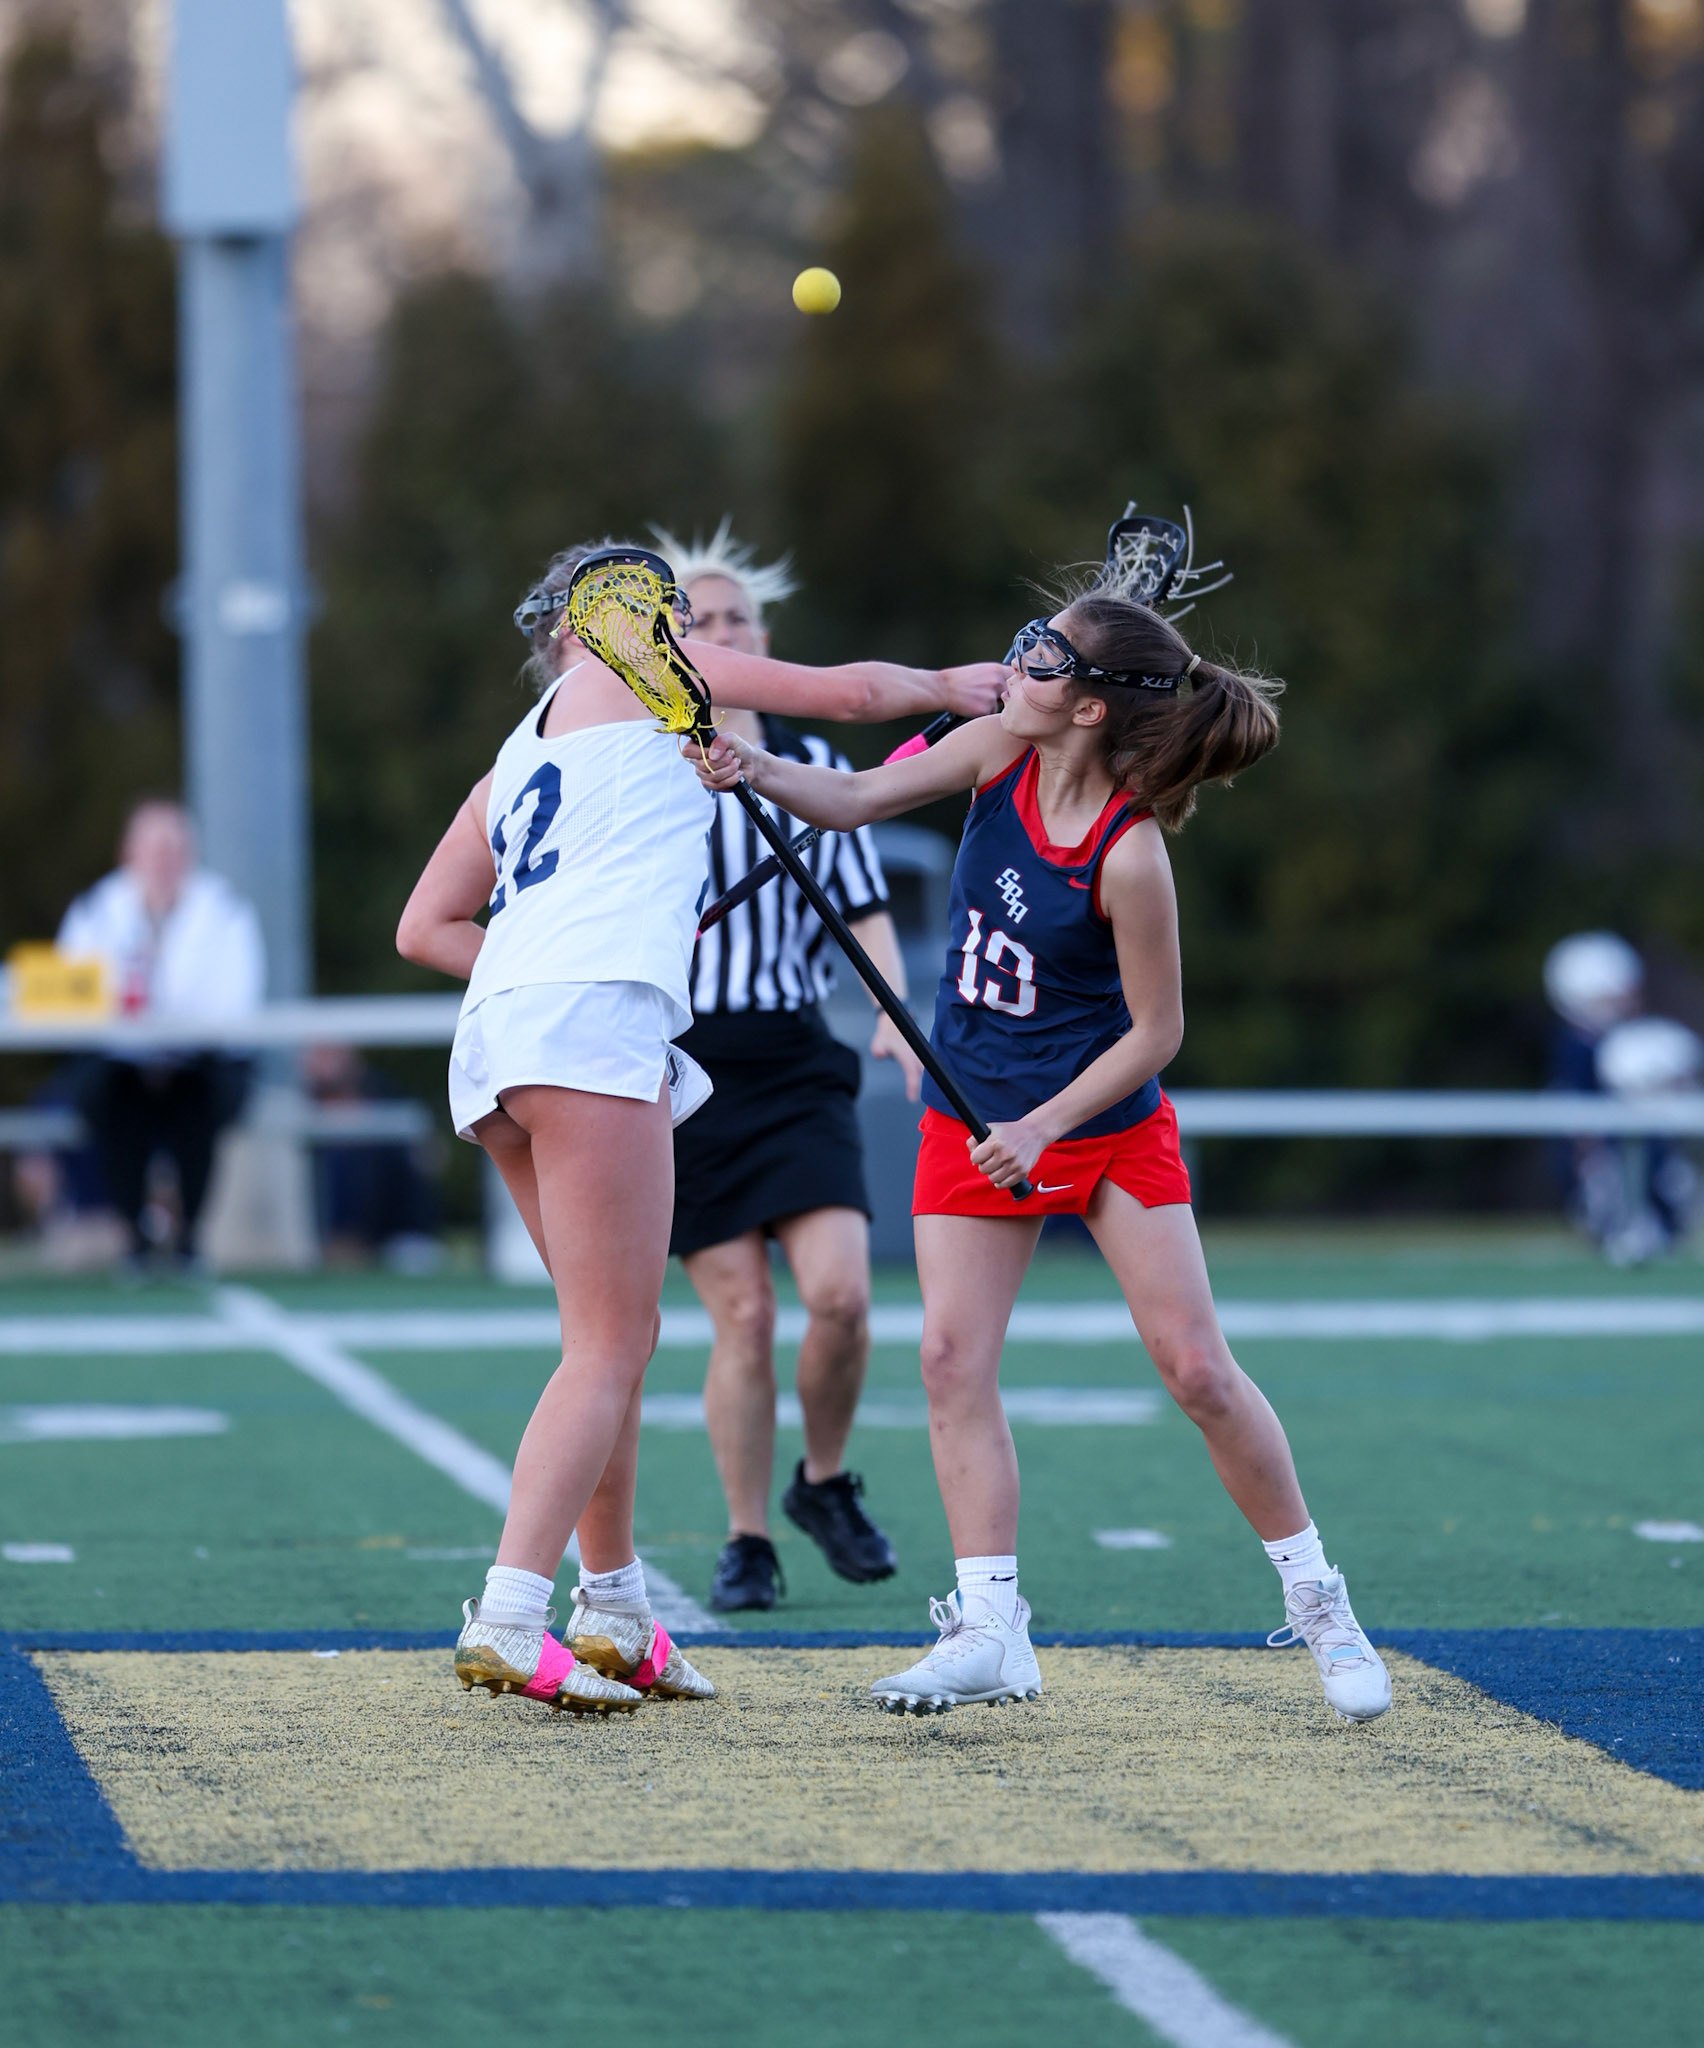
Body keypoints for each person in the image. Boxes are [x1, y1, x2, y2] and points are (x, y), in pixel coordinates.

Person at [690, 574, 1393, 1725]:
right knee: (951, 1363)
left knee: (1198, 1370)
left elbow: (1157, 1030)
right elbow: (858, 796)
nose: (1014, 664)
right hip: (971, 1110)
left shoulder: (1130, 853)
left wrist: (1046, 1125)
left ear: (1092, 710)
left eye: (1044, 655)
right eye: (1026, 642)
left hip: (1098, 1127)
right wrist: (753, 768)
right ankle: (990, 1629)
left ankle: (1321, 1603)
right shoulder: (989, 753)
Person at [396, 537, 1005, 1715]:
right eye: (668, 609)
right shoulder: (643, 671)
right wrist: (949, 687)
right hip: (590, 1031)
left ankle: (614, 1608)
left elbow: (427, 926)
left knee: (605, 1337)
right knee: (611, 1347)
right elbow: (846, 697)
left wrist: (544, 965)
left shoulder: (515, 757)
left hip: (504, 1039)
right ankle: (513, 1613)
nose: (690, 630)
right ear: (598, 620)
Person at [655, 523, 922, 1612]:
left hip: (794, 1054)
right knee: (748, 1318)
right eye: (700, 622)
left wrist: (898, 1014)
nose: (723, 634)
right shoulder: (642, 762)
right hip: (687, 1064)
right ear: (672, 644)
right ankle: (746, 1534)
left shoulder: (813, 766)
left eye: (736, 620)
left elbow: (862, 903)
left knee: (843, 1297)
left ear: (762, 637)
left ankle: (821, 1479)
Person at [56, 799, 264, 1269]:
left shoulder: (225, 910)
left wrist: (157, 1018)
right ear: (128, 851)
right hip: (121, 1063)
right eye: (154, 846)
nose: (164, 858)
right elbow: (73, 998)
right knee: (106, 1099)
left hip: (196, 1063)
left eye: (174, 846)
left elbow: (235, 1003)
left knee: (202, 1104)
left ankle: (190, 1235)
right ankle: (134, 1235)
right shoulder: (95, 909)